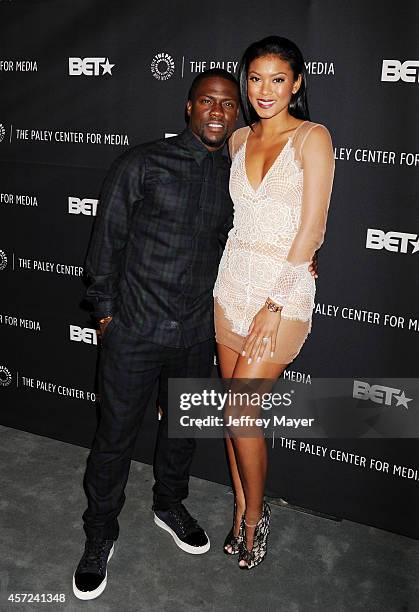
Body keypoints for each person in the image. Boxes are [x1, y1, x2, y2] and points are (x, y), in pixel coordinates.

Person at [72, 68, 241, 601]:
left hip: (195, 332)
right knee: (114, 439)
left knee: (182, 430)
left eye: (228, 105)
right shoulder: (142, 163)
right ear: (188, 108)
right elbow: (106, 244)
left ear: (236, 115)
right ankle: (100, 534)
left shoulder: (233, 177)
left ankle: (169, 503)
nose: (218, 112)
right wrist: (106, 316)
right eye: (208, 102)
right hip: (135, 330)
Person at [213, 36, 335, 570]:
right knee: (232, 415)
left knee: (242, 408)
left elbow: (312, 230)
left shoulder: (313, 138)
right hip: (230, 282)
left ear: (297, 83)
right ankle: (240, 511)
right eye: (256, 78)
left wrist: (274, 303)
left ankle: (258, 517)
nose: (264, 90)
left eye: (277, 79)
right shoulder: (238, 138)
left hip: (281, 296)